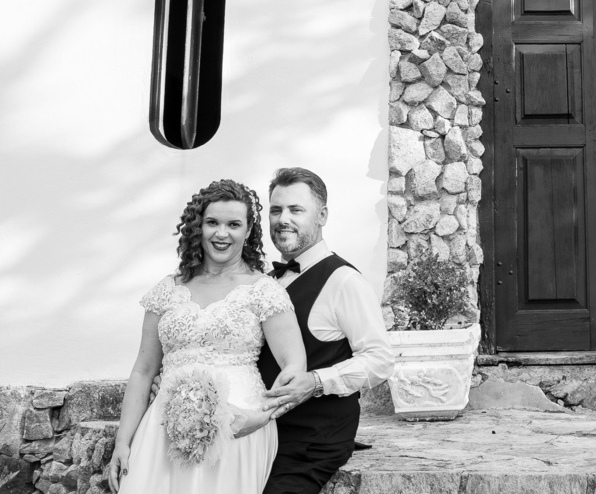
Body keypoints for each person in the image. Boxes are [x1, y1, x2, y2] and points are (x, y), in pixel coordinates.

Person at [107, 180, 307, 494]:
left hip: (238, 428)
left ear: (249, 229)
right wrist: (123, 442)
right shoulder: (168, 289)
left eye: (234, 224)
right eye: (212, 222)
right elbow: (143, 370)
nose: (222, 234)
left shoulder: (263, 290)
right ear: (198, 226)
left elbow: (293, 366)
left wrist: (263, 416)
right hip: (165, 425)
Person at [257, 167, 394, 494]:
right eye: (276, 210)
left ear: (322, 216)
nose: (282, 219)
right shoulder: (266, 280)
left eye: (296, 210)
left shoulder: (344, 281)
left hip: (312, 442)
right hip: (262, 433)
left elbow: (380, 359)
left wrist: (317, 382)